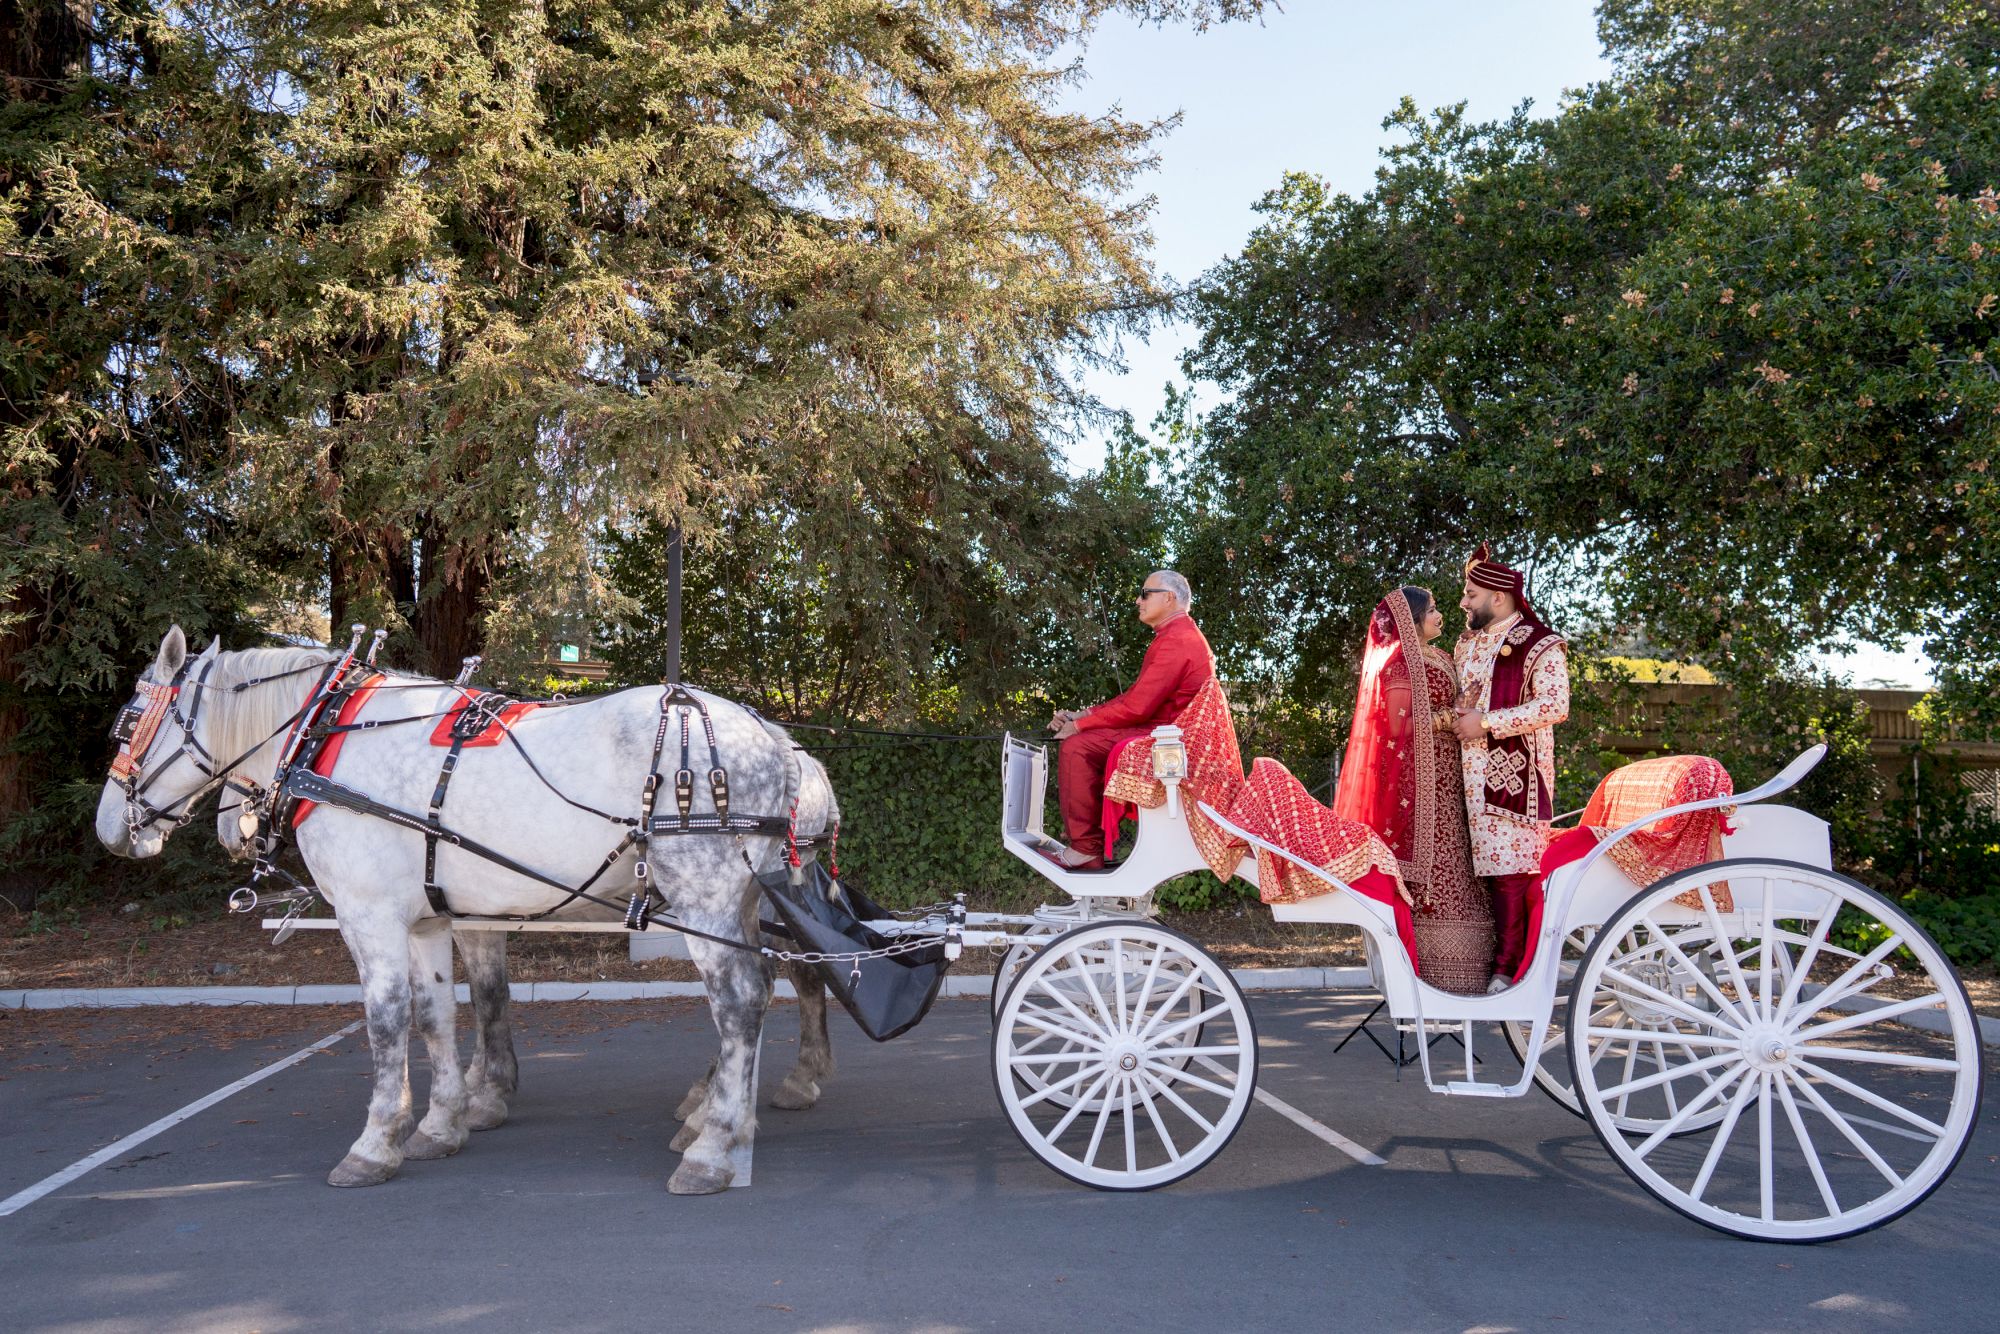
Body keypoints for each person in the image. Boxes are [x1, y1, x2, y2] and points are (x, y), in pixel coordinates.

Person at [1333, 587, 1494, 993]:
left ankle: (1471, 972)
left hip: (1454, 777)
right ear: (1413, 618)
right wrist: (1448, 719)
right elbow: (1398, 726)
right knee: (1437, 863)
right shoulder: (1400, 666)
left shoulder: (1441, 656)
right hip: (1421, 788)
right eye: (1433, 609)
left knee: (1462, 859)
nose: (1440, 615)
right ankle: (1433, 975)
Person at [1452, 544, 1570, 993]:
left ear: (1498, 597)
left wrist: (1487, 722)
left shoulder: (1541, 644)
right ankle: (1491, 964)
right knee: (1484, 874)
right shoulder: (1467, 644)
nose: (1463, 602)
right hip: (1466, 777)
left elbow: (1556, 706)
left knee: (1511, 874)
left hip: (1516, 778)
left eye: (1471, 594)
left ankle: (1509, 970)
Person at [1047, 570, 1215, 870]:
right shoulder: (1175, 634)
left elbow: (1137, 707)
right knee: (1081, 740)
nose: (1138, 600)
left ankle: (1086, 848)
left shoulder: (1178, 640)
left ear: (1169, 597)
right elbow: (1136, 699)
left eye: (1145, 593)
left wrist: (1079, 726)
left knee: (1077, 747)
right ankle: (1090, 849)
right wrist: (1084, 715)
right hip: (1164, 737)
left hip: (1168, 743)